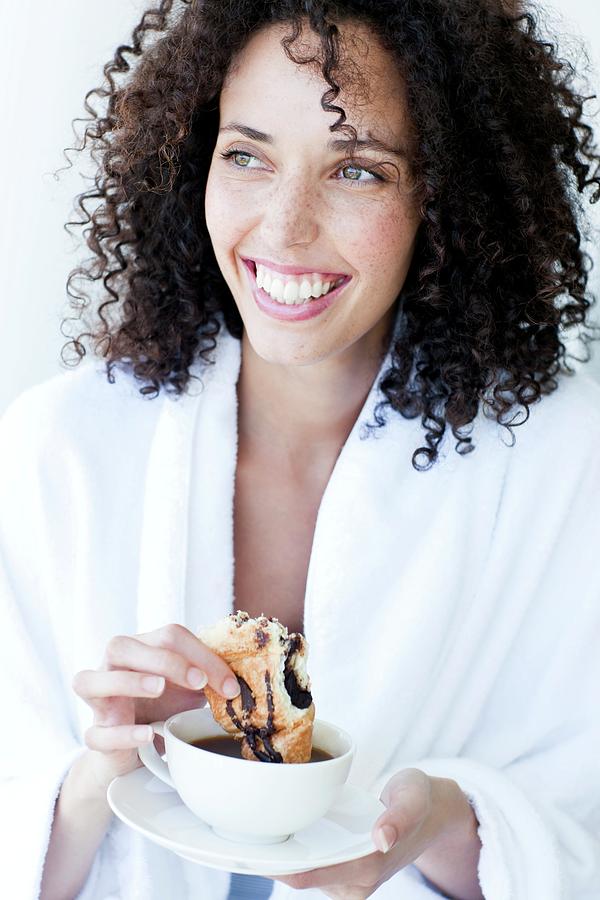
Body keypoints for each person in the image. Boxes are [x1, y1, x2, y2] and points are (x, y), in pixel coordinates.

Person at [1, 0, 600, 898]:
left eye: (358, 170)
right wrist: (102, 776)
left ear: (444, 193)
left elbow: (578, 839)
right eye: (246, 155)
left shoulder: (562, 467)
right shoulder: (59, 453)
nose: (283, 230)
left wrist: (440, 821)